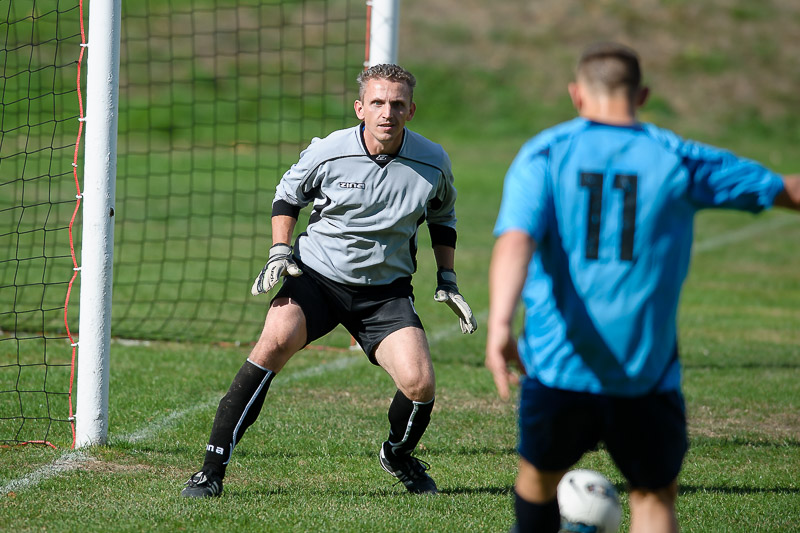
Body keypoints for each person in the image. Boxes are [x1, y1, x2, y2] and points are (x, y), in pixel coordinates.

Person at [485, 42, 800, 533]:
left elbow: (516, 239)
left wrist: (500, 322)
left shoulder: (545, 152)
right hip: (646, 375)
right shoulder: (678, 156)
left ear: (576, 95)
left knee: (537, 483)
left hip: (555, 365)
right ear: (643, 94)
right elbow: (786, 190)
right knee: (653, 498)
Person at [181, 63, 477, 498]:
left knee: (420, 385)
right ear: (360, 107)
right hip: (316, 279)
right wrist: (280, 252)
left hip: (385, 294)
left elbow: (442, 217)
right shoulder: (329, 150)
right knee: (273, 343)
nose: (386, 113)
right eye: (377, 102)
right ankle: (210, 470)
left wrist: (447, 277)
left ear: (411, 110)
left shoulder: (432, 160)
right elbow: (288, 197)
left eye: (397, 104)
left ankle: (397, 455)